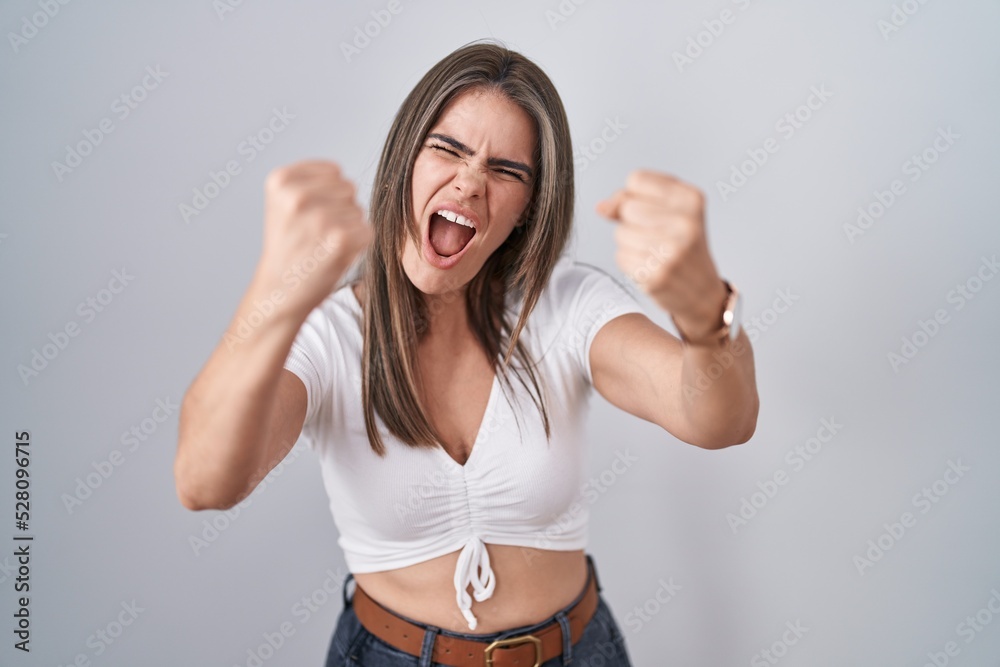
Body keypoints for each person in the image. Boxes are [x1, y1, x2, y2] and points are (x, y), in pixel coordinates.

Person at [174, 40, 758, 667]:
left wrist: (704, 314)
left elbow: (717, 420)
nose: (471, 181)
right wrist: (276, 292)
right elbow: (206, 483)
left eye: (508, 171)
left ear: (525, 211)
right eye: (448, 149)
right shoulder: (328, 334)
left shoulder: (565, 305)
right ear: (405, 161)